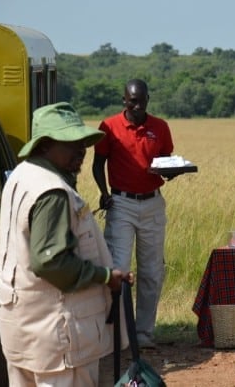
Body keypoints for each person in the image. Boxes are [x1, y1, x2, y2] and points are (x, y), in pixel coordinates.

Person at [0, 102, 133, 386]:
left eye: (82, 142)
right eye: (70, 142)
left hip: (22, 329)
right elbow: (50, 261)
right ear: (44, 145)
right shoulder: (52, 191)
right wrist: (106, 276)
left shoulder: (21, 174)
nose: (81, 149)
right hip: (57, 334)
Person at [92, 78, 177, 349]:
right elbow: (97, 165)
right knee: (119, 269)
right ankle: (118, 334)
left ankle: (143, 334)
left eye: (141, 101)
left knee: (152, 270)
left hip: (152, 202)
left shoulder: (160, 127)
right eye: (132, 101)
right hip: (121, 203)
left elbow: (166, 163)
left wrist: (172, 173)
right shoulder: (109, 127)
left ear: (148, 100)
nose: (137, 107)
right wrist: (104, 193)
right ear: (124, 101)